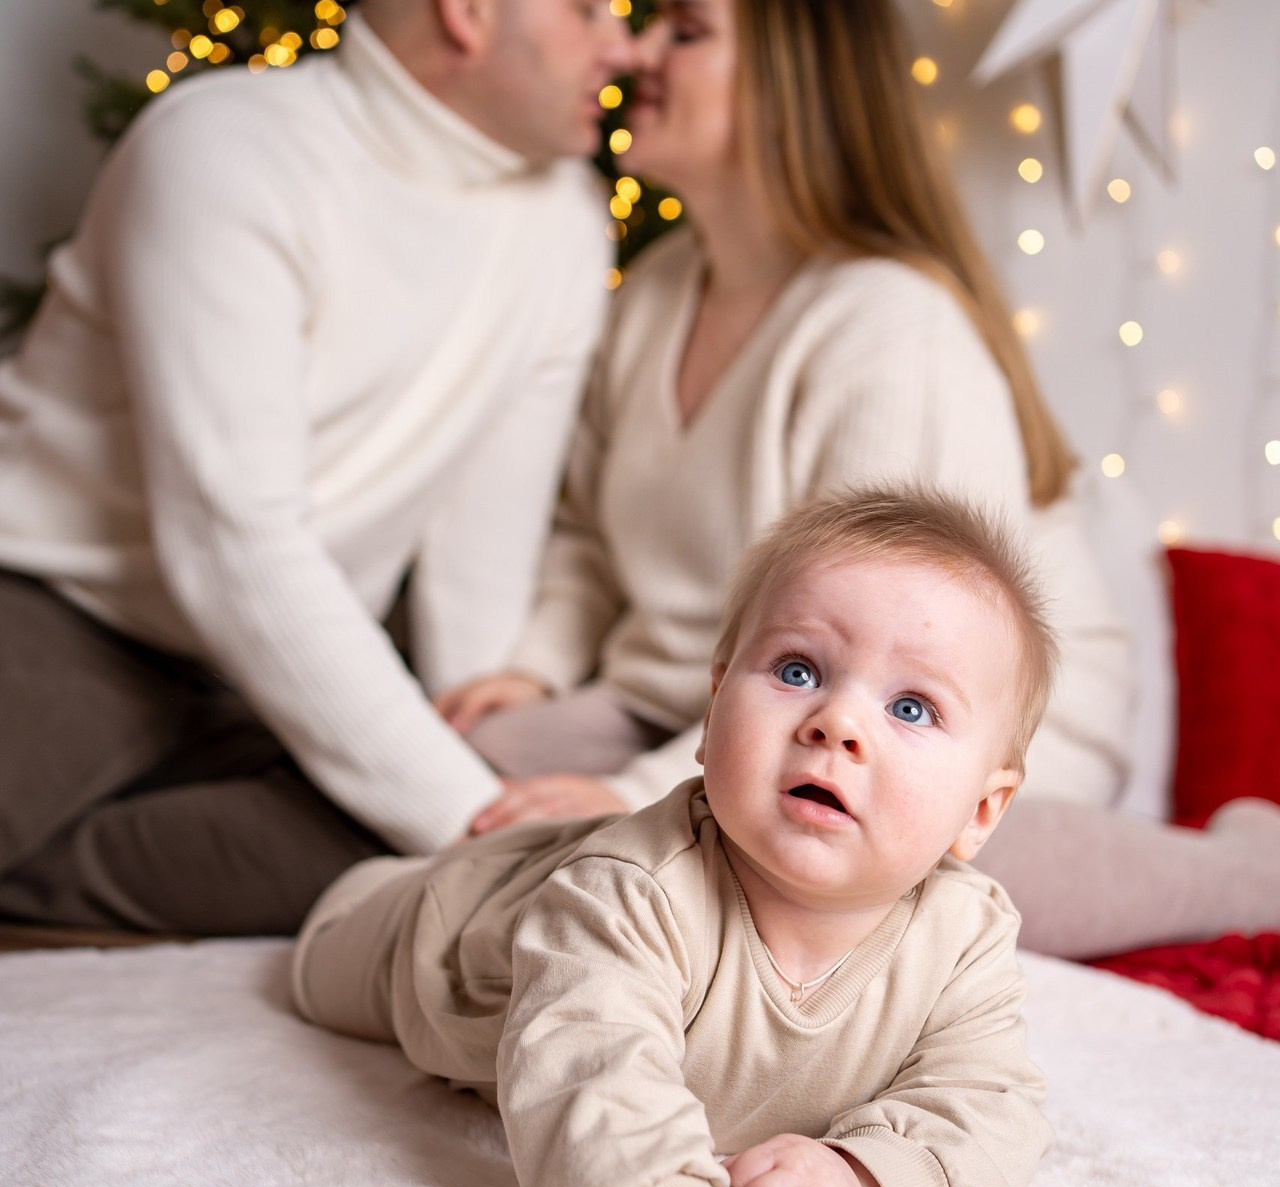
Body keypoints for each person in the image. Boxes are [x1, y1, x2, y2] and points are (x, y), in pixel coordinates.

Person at [438, 0, 1280, 959]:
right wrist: (535, 667)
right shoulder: (659, 292)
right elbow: (587, 534)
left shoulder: (888, 325)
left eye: (685, 31)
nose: (633, 53)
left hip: (930, 724)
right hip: (713, 701)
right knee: (470, 777)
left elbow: (890, 650)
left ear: (789, 87)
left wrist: (631, 801)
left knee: (911, 887)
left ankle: (1249, 870)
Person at [293, 487, 1056, 1187]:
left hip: (573, 868)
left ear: (983, 810)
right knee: (320, 964)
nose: (838, 724)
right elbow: (589, 1087)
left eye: (911, 706)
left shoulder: (964, 942)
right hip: (455, 929)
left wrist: (864, 1186)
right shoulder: (626, 898)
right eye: (798, 670)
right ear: (714, 706)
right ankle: (364, 884)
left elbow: (991, 1114)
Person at [0, 0, 634, 935]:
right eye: (588, 10)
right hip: (66, 613)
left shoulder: (571, 218)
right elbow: (233, 542)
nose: (622, 47)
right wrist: (472, 825)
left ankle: (45, 887)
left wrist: (477, 762)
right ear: (468, 13)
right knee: (433, 827)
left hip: (275, 666)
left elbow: (480, 539)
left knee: (386, 854)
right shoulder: (227, 148)